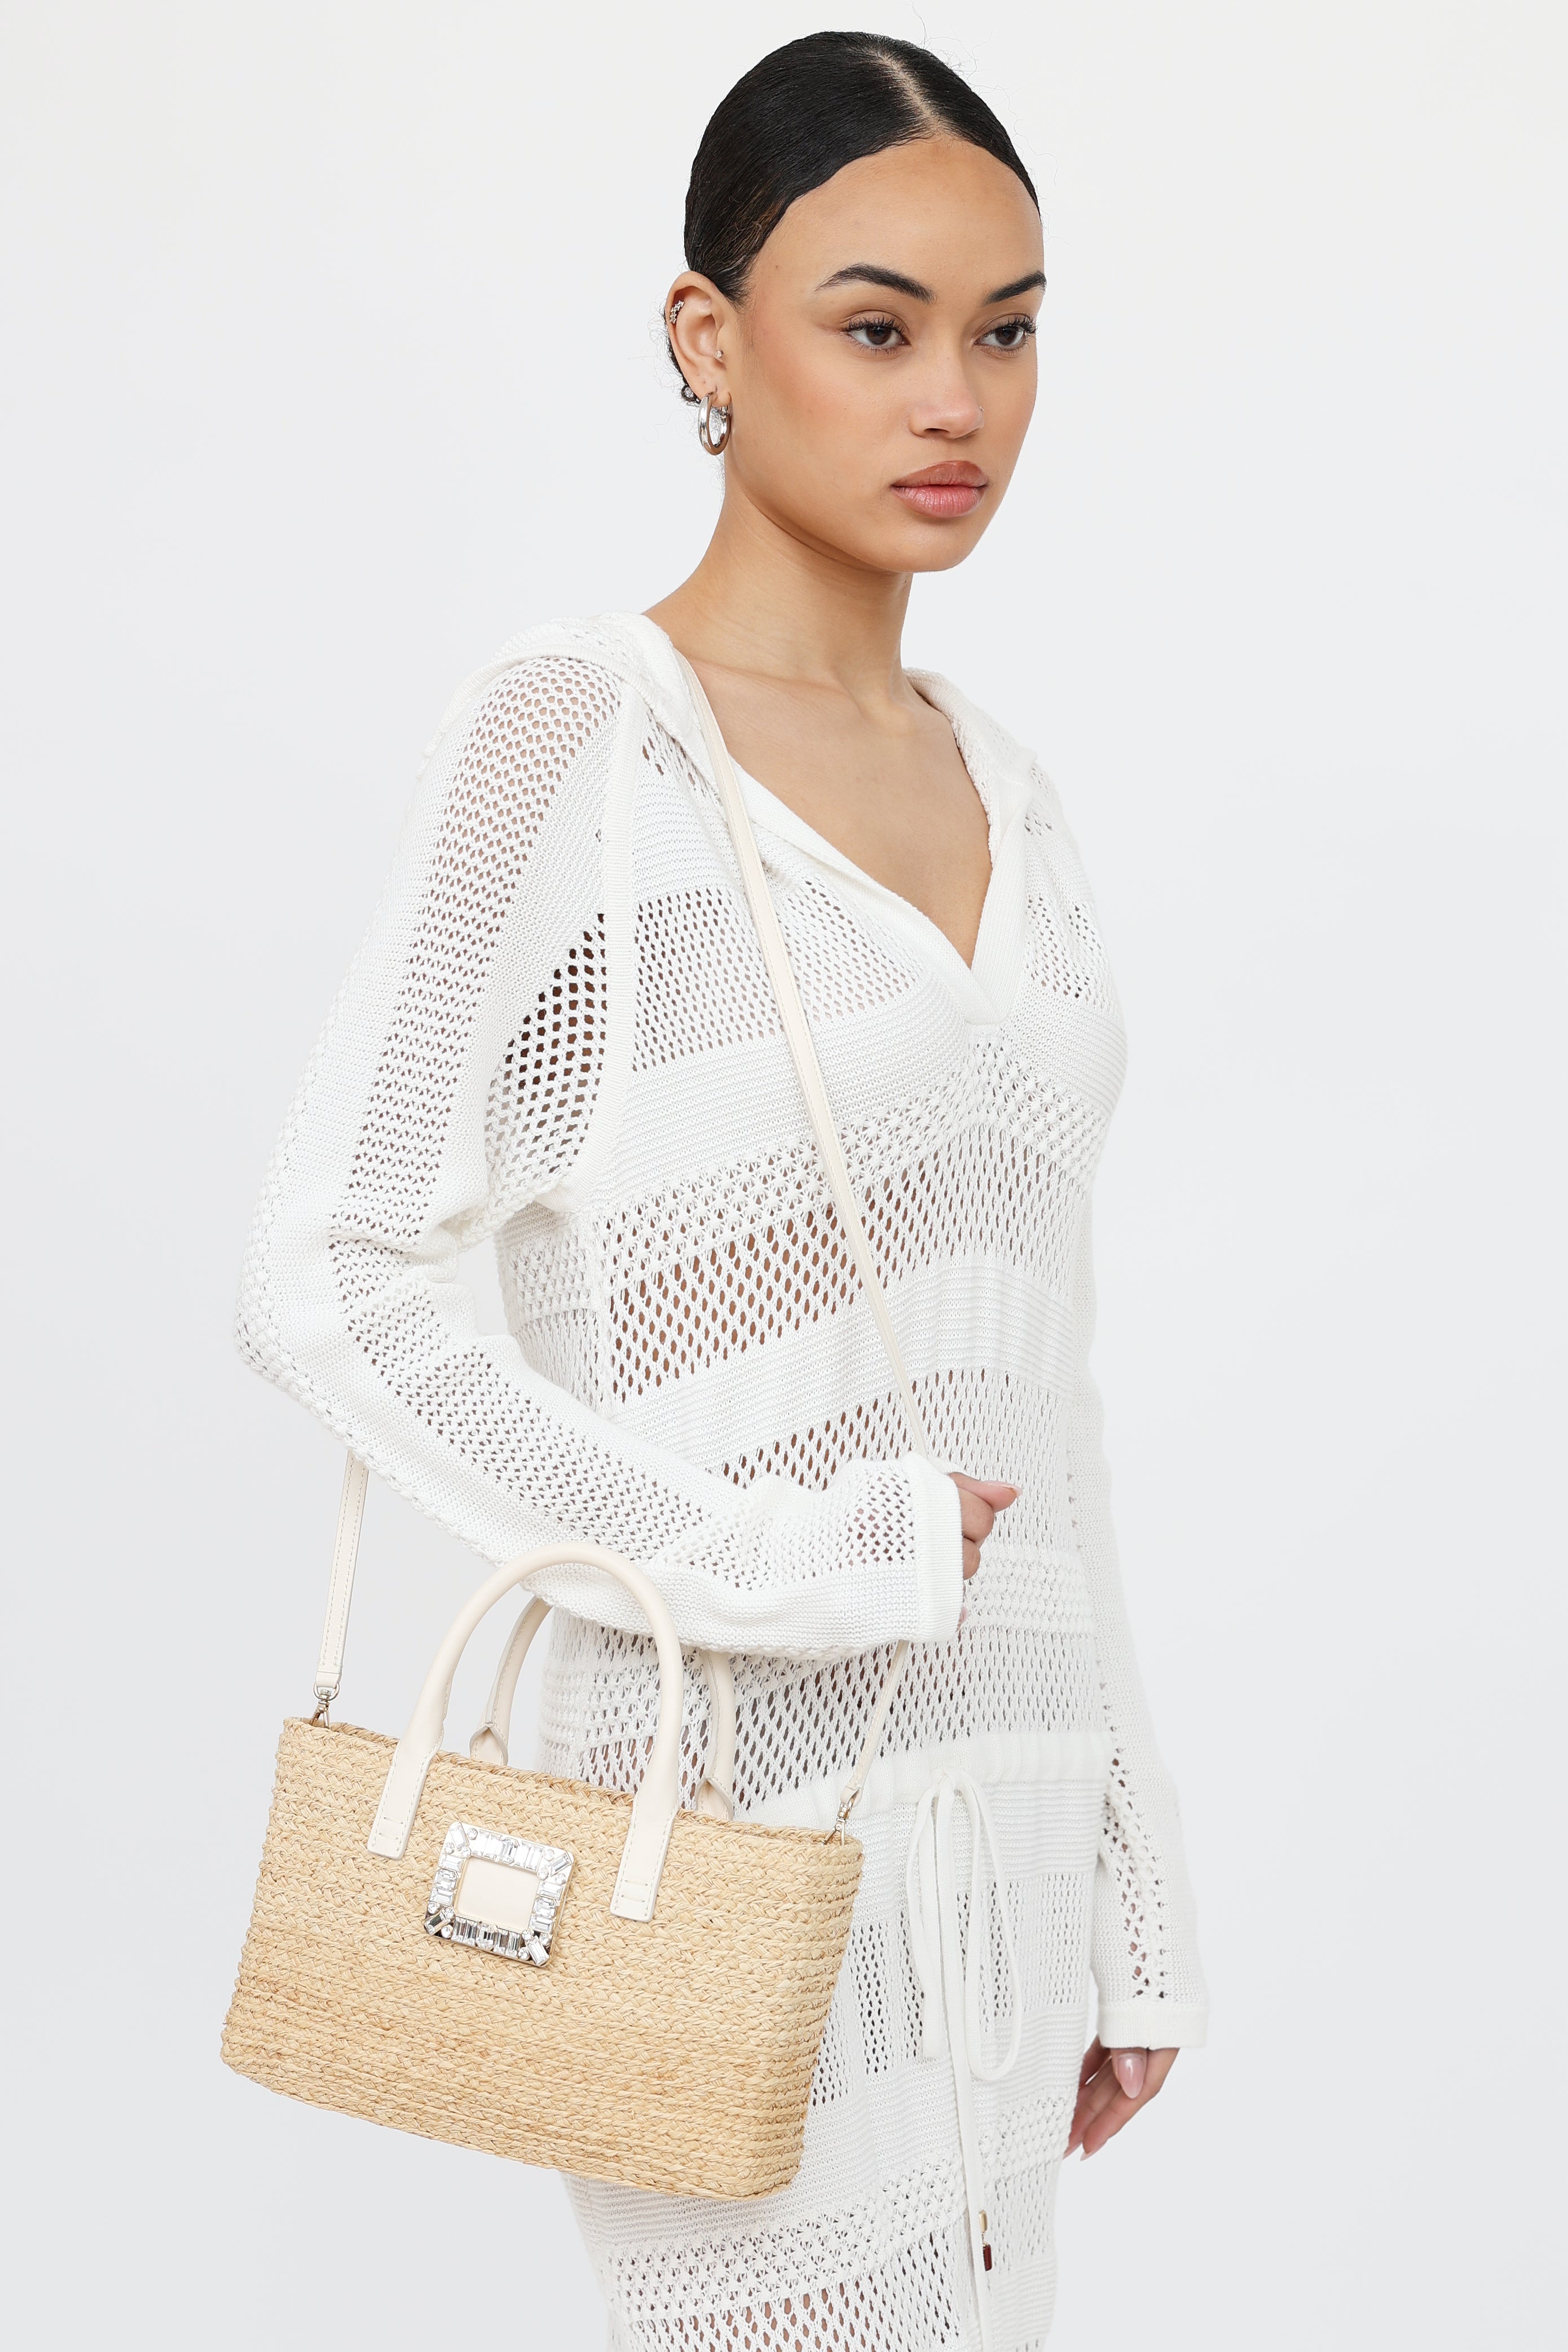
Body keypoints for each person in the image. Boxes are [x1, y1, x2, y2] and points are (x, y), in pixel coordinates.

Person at [235, 30, 1207, 2349]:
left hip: (1005, 1796)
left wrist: (1129, 1861)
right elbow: (331, 1270)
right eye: (875, 326)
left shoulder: (1016, 794)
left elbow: (1043, 1378)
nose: (953, 399)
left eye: (1006, 329)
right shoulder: (583, 739)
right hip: (720, 1798)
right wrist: (778, 1559)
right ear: (708, 337)